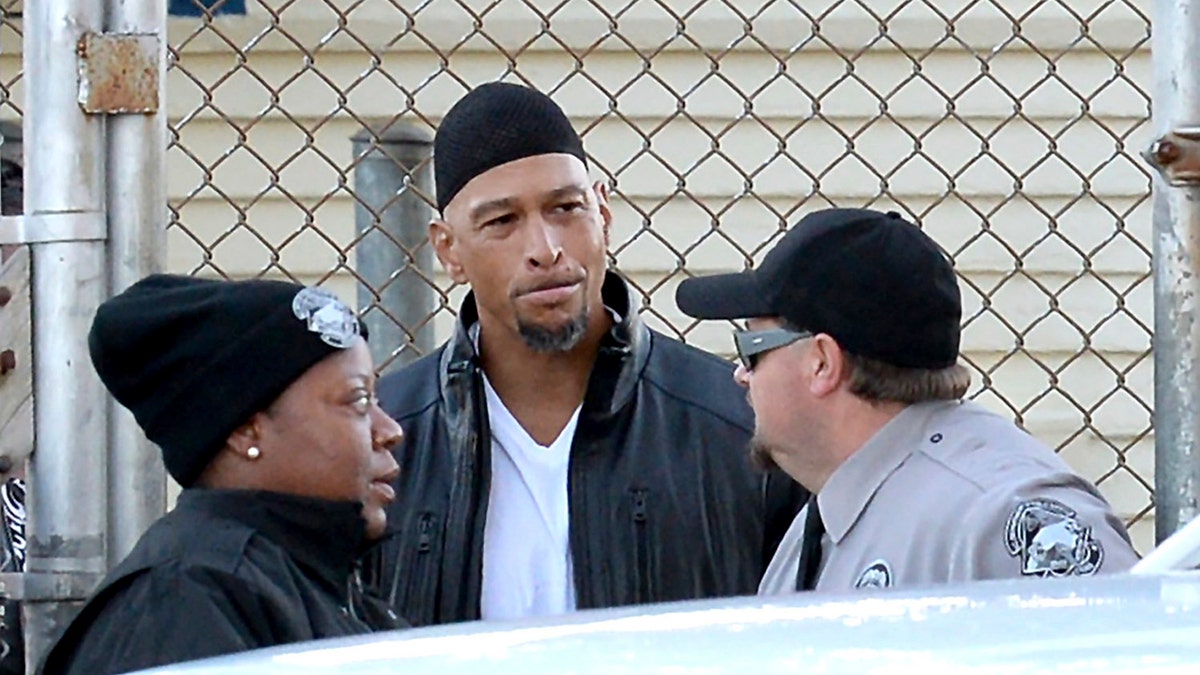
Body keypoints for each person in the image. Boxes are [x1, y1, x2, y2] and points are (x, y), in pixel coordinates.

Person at [364, 81, 807, 625]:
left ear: (604, 213)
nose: (545, 249)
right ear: (448, 249)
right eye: (502, 221)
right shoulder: (384, 445)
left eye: (566, 208)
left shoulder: (739, 428)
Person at [675, 207, 1140, 594]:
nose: (740, 374)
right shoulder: (826, 517)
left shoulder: (997, 518)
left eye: (751, 350)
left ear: (822, 362)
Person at [40, 275, 406, 675]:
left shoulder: (311, 580)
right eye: (358, 400)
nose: (390, 430)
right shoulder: (184, 600)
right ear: (246, 430)